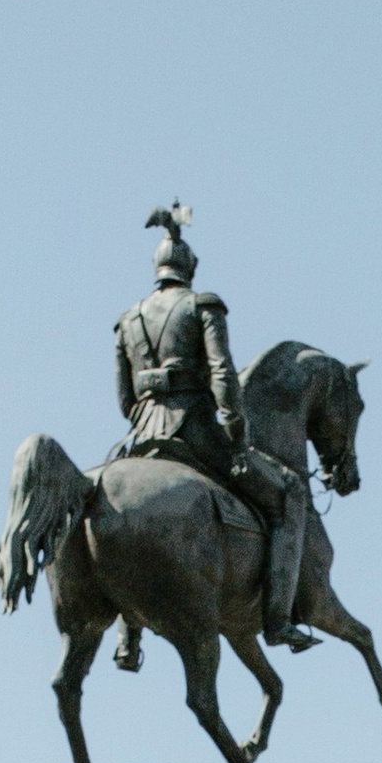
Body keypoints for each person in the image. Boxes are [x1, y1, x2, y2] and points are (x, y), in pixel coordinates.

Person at [111, 206, 313, 649]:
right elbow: (222, 374)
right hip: (196, 432)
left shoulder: (127, 320)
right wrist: (236, 433)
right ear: (190, 269)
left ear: (157, 269)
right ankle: (278, 621)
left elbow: (125, 400)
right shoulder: (203, 305)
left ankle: (128, 634)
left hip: (141, 436)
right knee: (290, 493)